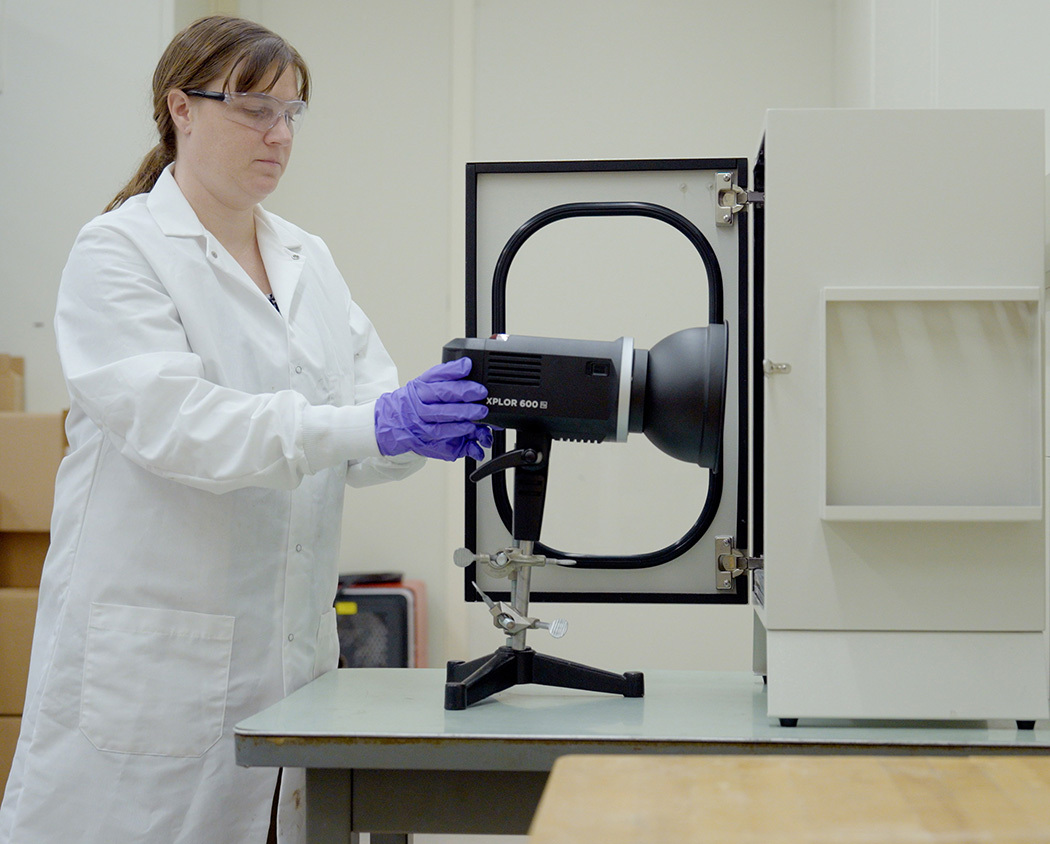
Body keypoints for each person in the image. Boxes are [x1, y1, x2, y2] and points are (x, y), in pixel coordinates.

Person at [0, 15, 491, 844]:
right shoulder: (118, 252)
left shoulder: (308, 259)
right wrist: (373, 423)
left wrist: (413, 430)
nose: (278, 133)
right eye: (254, 108)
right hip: (154, 675)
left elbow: (354, 426)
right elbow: (184, 429)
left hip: (288, 669)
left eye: (292, 113)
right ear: (180, 109)